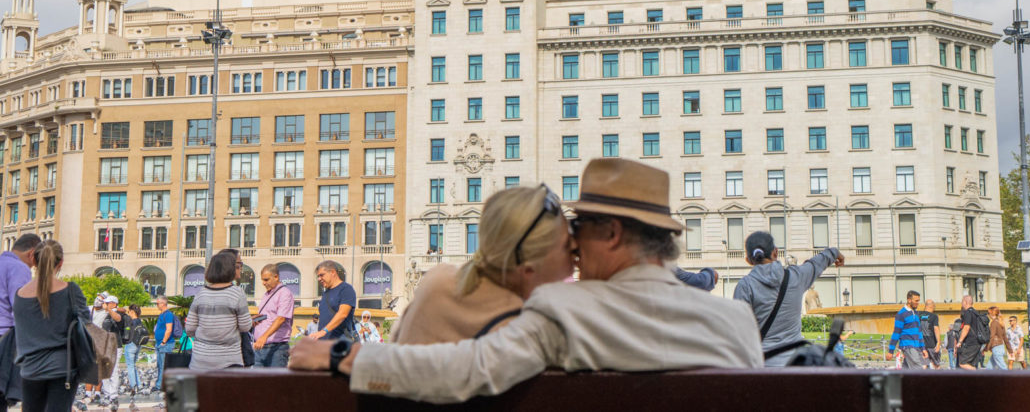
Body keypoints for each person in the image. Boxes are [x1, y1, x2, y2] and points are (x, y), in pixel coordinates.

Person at [289, 157, 763, 403]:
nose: (573, 247)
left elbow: (467, 369)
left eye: (579, 230)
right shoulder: (738, 319)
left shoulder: (565, 310)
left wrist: (343, 355)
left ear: (612, 234)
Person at [391, 186, 574, 344]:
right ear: (528, 270)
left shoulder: (436, 280)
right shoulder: (521, 327)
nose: (576, 248)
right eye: (566, 245)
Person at [733, 230, 843, 366]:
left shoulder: (745, 286)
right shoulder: (796, 276)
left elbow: (739, 331)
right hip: (794, 365)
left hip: (761, 367)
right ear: (775, 252)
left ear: (748, 260)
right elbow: (817, 263)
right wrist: (835, 253)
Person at [13, 239, 88, 412]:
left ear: (34, 260)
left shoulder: (20, 295)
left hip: (29, 370)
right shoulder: (70, 290)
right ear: (61, 262)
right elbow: (86, 324)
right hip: (62, 369)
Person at [186, 251, 252, 371]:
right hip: (228, 361)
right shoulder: (237, 293)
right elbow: (245, 327)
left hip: (200, 362)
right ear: (230, 269)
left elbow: (189, 329)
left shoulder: (200, 294)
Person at [253, 264, 295, 367]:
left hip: (276, 348)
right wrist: (255, 319)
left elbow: (281, 318)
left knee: (275, 382)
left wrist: (264, 336)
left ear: (276, 277)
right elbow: (268, 316)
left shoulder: (284, 293)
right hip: (259, 348)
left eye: (266, 280)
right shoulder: (266, 295)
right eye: (262, 280)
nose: (263, 283)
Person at [0, 234, 42, 336]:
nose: (34, 266)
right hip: (5, 334)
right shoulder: (19, 268)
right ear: (31, 254)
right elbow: (21, 307)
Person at [311, 261, 356, 340]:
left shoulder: (346, 289)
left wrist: (324, 331)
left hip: (340, 344)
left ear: (332, 272)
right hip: (323, 344)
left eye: (322, 275)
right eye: (318, 276)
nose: (319, 279)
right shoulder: (325, 293)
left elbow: (343, 314)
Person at [887, 290, 928, 369]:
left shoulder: (916, 313)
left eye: (918, 301)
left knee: (906, 371)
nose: (918, 303)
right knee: (919, 371)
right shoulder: (901, 314)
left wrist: (923, 348)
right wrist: (890, 351)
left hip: (916, 347)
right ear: (909, 300)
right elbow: (896, 333)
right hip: (908, 346)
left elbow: (919, 332)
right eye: (916, 301)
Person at [99, 294, 125, 397]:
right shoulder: (106, 315)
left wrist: (110, 310)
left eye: (107, 303)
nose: (105, 305)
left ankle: (113, 393)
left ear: (114, 304)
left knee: (113, 370)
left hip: (115, 346)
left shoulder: (118, 313)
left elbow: (118, 319)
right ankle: (107, 392)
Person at [153, 296, 176, 391]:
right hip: (160, 343)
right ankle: (159, 384)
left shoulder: (168, 314)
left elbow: (169, 329)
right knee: (159, 365)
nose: (157, 305)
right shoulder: (161, 314)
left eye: (157, 303)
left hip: (165, 344)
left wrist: (163, 342)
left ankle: (160, 386)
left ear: (163, 303)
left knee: (163, 365)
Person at [954, 295, 981, 370]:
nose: (961, 304)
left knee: (962, 363)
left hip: (970, 343)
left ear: (965, 302)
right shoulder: (976, 313)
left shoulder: (968, 313)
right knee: (971, 364)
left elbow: (966, 327)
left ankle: (979, 374)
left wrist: (960, 341)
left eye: (962, 302)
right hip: (977, 342)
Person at [122, 305, 145, 392]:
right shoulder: (140, 321)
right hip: (138, 345)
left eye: (129, 312)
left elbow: (127, 333)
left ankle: (133, 386)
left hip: (131, 345)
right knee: (133, 365)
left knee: (130, 366)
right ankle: (138, 385)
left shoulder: (131, 322)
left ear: (132, 312)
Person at [918, 299, 941, 369]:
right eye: (934, 307)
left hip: (921, 345)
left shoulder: (919, 314)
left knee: (923, 365)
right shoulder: (934, 316)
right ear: (931, 306)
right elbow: (936, 329)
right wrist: (938, 343)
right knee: (936, 365)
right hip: (932, 344)